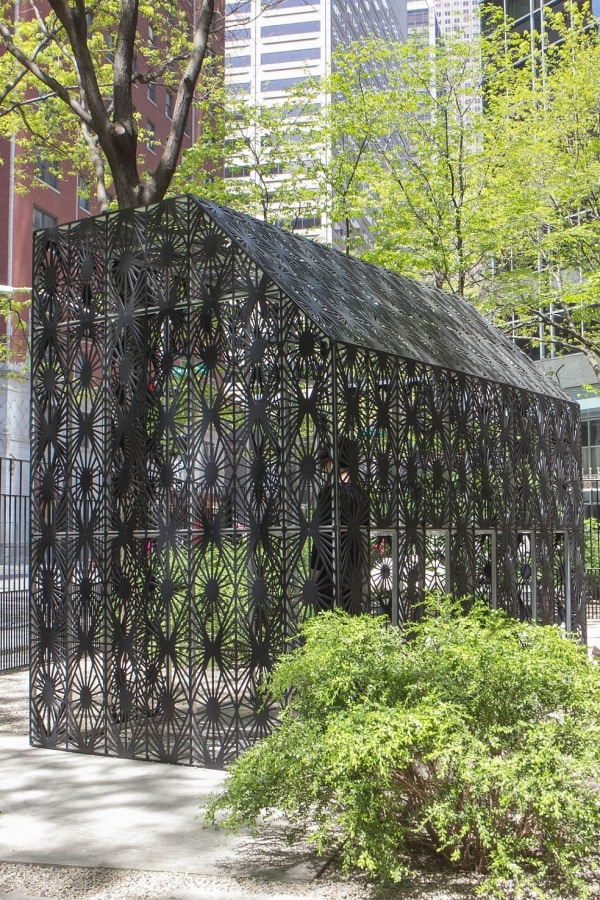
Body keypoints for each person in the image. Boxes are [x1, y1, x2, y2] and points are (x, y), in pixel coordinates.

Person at [307, 437, 369, 614]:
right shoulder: (361, 494)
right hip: (354, 573)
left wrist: (313, 578)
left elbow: (322, 540)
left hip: (329, 573)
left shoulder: (329, 494)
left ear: (330, 461)